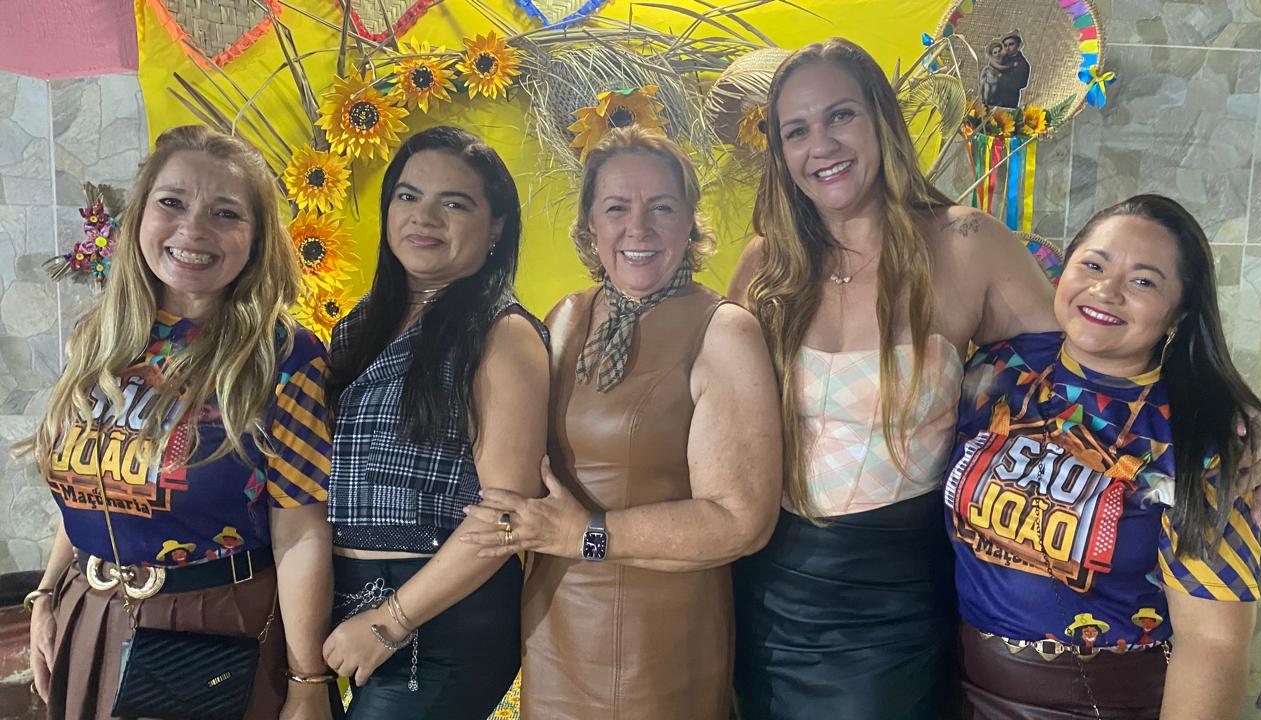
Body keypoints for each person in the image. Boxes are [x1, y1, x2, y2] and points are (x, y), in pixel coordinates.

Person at [727, 37, 1057, 720]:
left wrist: (1217, 418)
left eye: (840, 115)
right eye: (796, 131)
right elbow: (713, 416)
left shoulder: (966, 244)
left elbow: (1090, 376)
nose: (821, 144)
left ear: (880, 119)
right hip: (761, 592)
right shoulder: (764, 263)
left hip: (895, 608)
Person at [459, 125, 782, 719]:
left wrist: (584, 534)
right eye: (616, 208)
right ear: (590, 224)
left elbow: (741, 522)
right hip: (553, 632)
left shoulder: (725, 331)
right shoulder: (565, 316)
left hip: (659, 648)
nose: (639, 228)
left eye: (662, 207)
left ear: (689, 223)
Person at [23, 124, 334, 719]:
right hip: (86, 608)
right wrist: (46, 595)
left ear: (258, 238)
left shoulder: (283, 357)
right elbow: (95, 484)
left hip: (212, 628)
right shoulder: (100, 338)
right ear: (141, 214)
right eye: (172, 202)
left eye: (226, 213)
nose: (193, 229)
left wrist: (306, 683)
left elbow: (300, 529)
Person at [945, 194, 1261, 720]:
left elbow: (1213, 642)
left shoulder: (1201, 440)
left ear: (1180, 310)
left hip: (1099, 705)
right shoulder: (996, 370)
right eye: (1093, 265)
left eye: (1143, 282)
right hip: (955, 687)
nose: (1107, 290)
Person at [321, 126, 549, 719]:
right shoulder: (360, 326)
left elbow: (506, 515)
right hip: (348, 608)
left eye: (455, 203)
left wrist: (391, 621)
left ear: (495, 228)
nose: (424, 217)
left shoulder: (502, 333)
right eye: (408, 196)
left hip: (441, 620)